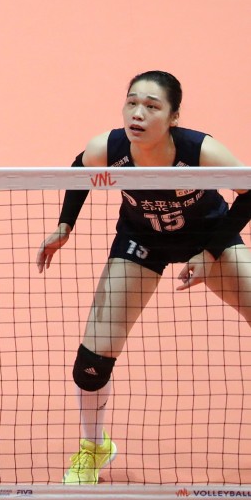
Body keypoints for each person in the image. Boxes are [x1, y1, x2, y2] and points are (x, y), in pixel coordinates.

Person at [36, 70, 251, 485]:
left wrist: (209, 254)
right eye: (132, 103)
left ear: (173, 117)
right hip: (141, 242)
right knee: (90, 364)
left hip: (209, 238)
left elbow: (249, 192)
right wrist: (65, 226)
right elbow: (80, 168)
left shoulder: (200, 150)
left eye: (152, 107)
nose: (138, 114)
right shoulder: (110, 148)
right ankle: (95, 447)